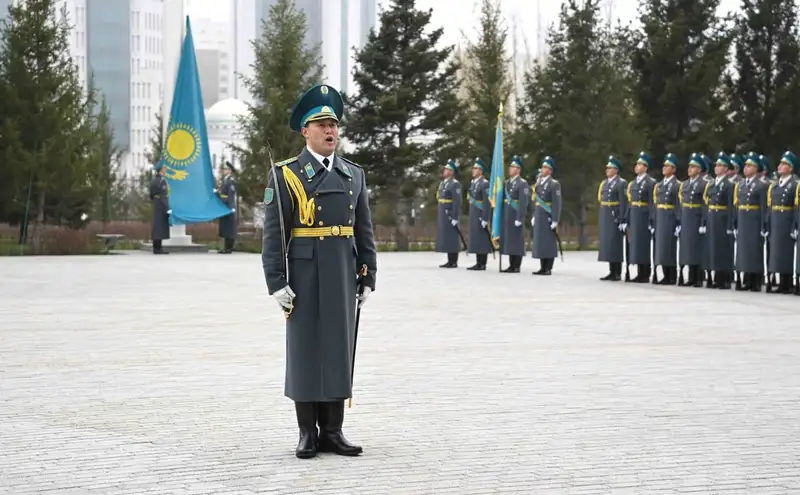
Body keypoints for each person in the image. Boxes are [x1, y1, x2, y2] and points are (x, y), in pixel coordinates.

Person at [261, 84, 377, 459]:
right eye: (322, 124)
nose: (331, 131)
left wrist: (369, 273)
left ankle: (333, 430)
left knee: (338, 348)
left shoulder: (353, 175)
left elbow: (364, 228)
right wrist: (277, 282)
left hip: (343, 270)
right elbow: (274, 235)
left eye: (334, 124)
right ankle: (306, 432)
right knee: (306, 349)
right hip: (305, 273)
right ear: (305, 132)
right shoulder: (287, 175)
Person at [733, 152, 768, 291]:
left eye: (749, 166)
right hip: (743, 219)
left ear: (756, 168)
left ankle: (756, 281)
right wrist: (735, 222)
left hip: (754, 220)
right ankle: (745, 278)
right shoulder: (740, 185)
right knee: (743, 251)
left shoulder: (761, 185)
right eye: (745, 166)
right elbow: (737, 205)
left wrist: (763, 225)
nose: (746, 168)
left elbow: (764, 207)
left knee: (754, 250)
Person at [766, 151, 798, 293]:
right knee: (776, 252)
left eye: (784, 164)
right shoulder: (774, 185)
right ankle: (780, 281)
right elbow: (770, 205)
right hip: (776, 218)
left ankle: (787, 281)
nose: (780, 166)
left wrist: (794, 226)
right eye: (780, 163)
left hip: (787, 219)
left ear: (791, 168)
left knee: (786, 251)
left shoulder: (794, 184)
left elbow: (796, 207)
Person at [704, 152, 736, 289]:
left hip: (722, 217)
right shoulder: (711, 184)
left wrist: (730, 225)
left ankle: (724, 278)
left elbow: (730, 206)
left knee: (723, 249)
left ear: (726, 169)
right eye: (716, 165)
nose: (717, 167)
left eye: (720, 165)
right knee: (713, 248)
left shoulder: (729, 185)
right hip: (712, 217)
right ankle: (714, 276)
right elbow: (707, 203)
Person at [626, 152, 657, 282]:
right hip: (634, 214)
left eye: (640, 164)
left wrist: (652, 219)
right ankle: (639, 271)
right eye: (637, 164)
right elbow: (630, 201)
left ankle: (645, 272)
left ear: (645, 167)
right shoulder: (633, 183)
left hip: (644, 215)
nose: (637, 166)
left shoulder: (650, 182)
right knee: (636, 244)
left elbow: (652, 202)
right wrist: (627, 218)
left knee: (644, 244)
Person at [677, 153, 707, 287]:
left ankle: (698, 277)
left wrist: (703, 223)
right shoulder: (685, 184)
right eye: (689, 166)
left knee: (696, 248)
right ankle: (690, 276)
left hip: (696, 217)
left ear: (699, 170)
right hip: (686, 217)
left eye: (693, 167)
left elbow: (704, 205)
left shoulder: (703, 184)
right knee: (687, 248)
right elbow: (680, 203)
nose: (690, 169)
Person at [597, 155, 628, 281]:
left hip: (615, 215)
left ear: (616, 170)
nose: (607, 170)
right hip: (606, 215)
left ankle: (617, 272)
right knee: (608, 244)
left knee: (615, 244)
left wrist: (622, 219)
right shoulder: (604, 183)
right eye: (607, 168)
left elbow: (623, 202)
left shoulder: (621, 183)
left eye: (610, 168)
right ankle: (611, 270)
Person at [653, 153, 681, 285]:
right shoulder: (659, 185)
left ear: (674, 169)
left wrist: (678, 221)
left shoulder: (677, 185)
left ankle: (672, 275)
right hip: (660, 216)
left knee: (669, 246)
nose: (664, 168)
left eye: (668, 166)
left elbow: (678, 204)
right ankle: (664, 274)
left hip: (670, 217)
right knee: (661, 247)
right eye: (664, 165)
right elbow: (655, 203)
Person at [530, 155, 562, 275]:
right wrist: (534, 215)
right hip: (539, 215)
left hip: (548, 216)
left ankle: (548, 267)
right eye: (542, 167)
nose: (542, 170)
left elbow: (557, 203)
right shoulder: (538, 183)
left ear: (550, 170)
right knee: (541, 242)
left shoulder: (554, 184)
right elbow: (535, 201)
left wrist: (555, 219)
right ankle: (542, 266)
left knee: (548, 242)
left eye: (545, 167)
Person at [500, 155, 529, 273]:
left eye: (513, 167)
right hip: (507, 214)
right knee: (510, 240)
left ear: (518, 169)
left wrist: (520, 218)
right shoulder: (507, 183)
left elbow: (523, 202)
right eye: (510, 167)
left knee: (516, 240)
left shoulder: (522, 183)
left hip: (515, 214)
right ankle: (511, 265)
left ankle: (516, 265)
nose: (510, 169)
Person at [466, 157, 492, 270]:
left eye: (476, 168)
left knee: (482, 239)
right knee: (476, 237)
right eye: (473, 168)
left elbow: (487, 202)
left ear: (481, 171)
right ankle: (478, 262)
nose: (473, 170)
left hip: (481, 214)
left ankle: (482, 263)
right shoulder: (474, 183)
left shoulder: (484, 183)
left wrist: (485, 218)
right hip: (474, 214)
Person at [436, 159, 463, 268]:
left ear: (452, 172)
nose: (445, 171)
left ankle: (454, 261)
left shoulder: (454, 184)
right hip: (443, 212)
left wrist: (455, 217)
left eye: (447, 169)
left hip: (450, 213)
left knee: (452, 236)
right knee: (447, 236)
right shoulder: (443, 183)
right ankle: (449, 260)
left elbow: (457, 201)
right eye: (445, 169)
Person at [149, 163, 171, 255]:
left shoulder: (154, 181)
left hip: (157, 203)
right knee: (160, 226)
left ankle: (157, 247)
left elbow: (151, 195)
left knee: (157, 225)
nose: (165, 170)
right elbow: (163, 195)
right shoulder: (161, 181)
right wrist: (167, 208)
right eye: (164, 169)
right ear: (161, 170)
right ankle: (158, 248)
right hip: (161, 205)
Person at [216, 161, 238, 254]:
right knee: (225, 227)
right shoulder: (225, 180)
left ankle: (229, 248)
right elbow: (222, 194)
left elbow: (231, 195)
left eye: (225, 169)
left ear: (229, 171)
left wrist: (231, 207)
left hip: (228, 207)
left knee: (229, 228)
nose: (223, 171)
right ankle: (226, 247)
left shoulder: (230, 181)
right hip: (224, 206)